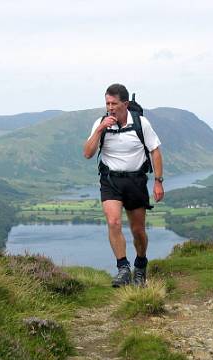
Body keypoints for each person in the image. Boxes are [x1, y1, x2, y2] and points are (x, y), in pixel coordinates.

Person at [83, 84, 164, 286]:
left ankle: (140, 265)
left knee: (138, 230)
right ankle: (123, 268)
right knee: (114, 222)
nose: (110, 107)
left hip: (136, 181)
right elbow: (87, 153)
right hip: (111, 180)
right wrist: (101, 129)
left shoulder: (141, 123)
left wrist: (158, 182)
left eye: (114, 103)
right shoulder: (100, 123)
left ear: (125, 104)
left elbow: (155, 151)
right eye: (107, 103)